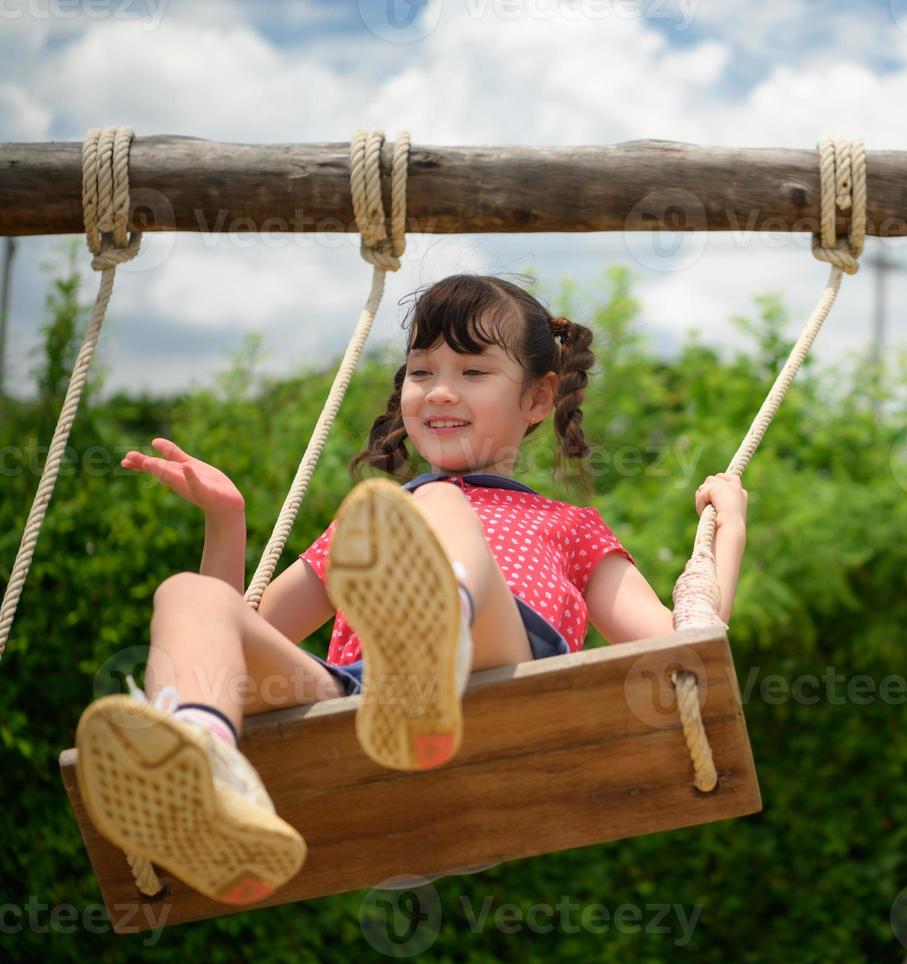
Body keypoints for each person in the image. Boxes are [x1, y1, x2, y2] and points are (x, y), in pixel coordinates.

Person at [72, 273, 749, 906]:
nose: (439, 390)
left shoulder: (567, 526)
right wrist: (228, 523)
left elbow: (684, 647)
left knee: (438, 506)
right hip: (368, 700)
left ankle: (434, 643)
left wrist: (730, 525)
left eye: (473, 372)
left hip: (504, 683)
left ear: (539, 397)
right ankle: (203, 773)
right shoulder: (369, 528)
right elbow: (243, 644)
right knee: (188, 598)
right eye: (421, 372)